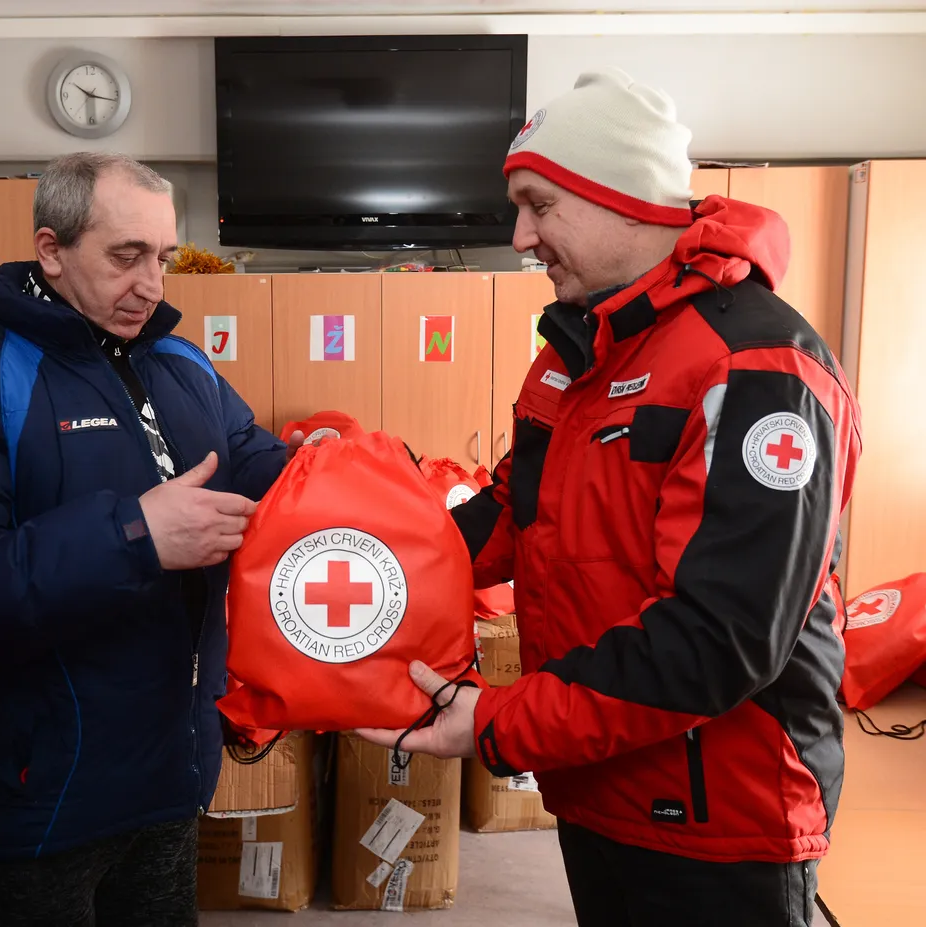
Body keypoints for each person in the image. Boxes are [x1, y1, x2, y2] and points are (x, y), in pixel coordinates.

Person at [361, 68, 861, 927]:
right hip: (594, 780)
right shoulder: (573, 355)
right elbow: (515, 512)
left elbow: (720, 640)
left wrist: (498, 721)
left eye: (539, 205)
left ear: (623, 198)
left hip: (723, 820)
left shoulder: (757, 369)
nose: (520, 235)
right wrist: (365, 564)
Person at [0, 152, 298, 927]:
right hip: (39, 799)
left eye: (162, 257)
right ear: (51, 249)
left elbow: (256, 460)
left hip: (169, 775)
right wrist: (136, 535)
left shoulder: (182, 362)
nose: (151, 283)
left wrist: (349, 475)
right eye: (125, 256)